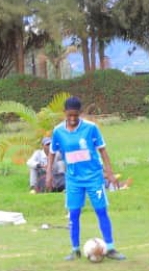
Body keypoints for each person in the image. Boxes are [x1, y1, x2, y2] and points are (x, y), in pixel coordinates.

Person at [46, 96, 127, 261]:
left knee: (101, 211)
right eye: (69, 115)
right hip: (74, 180)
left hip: (94, 178)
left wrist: (110, 173)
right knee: (74, 214)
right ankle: (75, 250)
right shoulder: (58, 132)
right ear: (64, 114)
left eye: (76, 115)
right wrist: (49, 174)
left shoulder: (91, 128)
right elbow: (52, 154)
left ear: (80, 113)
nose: (73, 118)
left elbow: (103, 151)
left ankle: (110, 248)